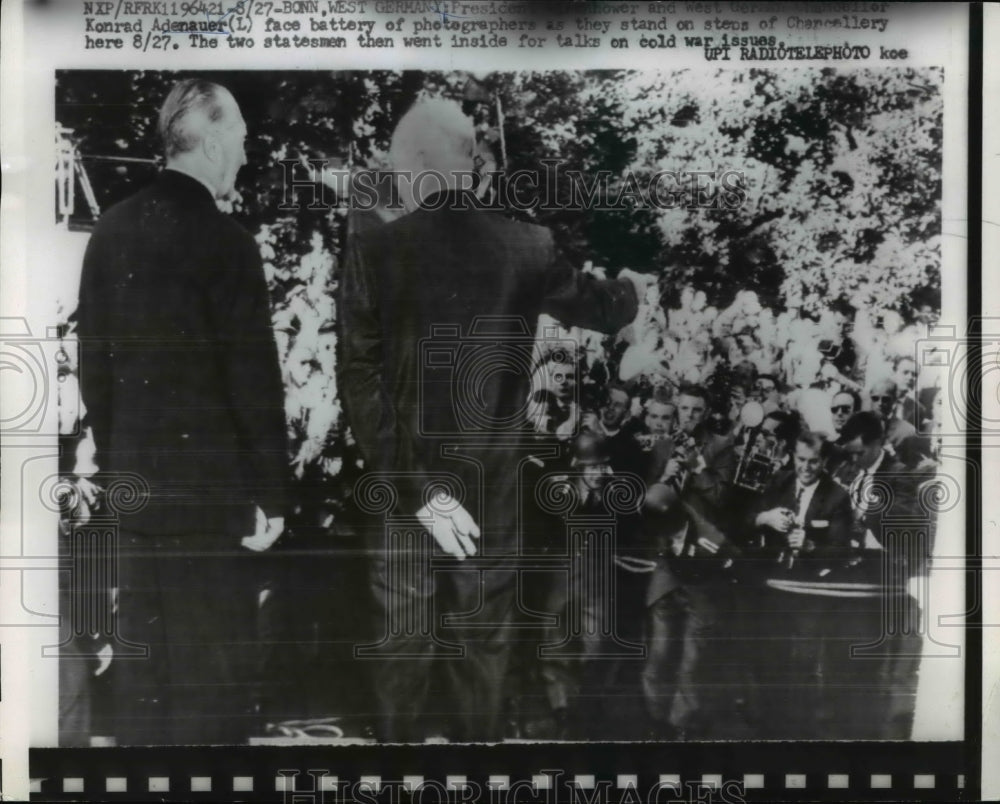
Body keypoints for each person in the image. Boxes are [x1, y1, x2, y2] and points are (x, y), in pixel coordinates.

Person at [336, 98, 649, 742]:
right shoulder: (527, 245)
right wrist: (631, 288)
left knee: (403, 634)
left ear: (414, 166)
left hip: (403, 485)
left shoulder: (375, 248)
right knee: (484, 637)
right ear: (468, 163)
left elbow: (358, 379)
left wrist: (419, 492)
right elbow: (606, 309)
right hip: (489, 485)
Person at [75, 79, 288, 744]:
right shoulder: (229, 245)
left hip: (137, 506)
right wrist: (273, 496)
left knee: (145, 702)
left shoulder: (109, 232)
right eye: (245, 142)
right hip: (211, 515)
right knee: (214, 702)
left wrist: (120, 472)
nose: (248, 157)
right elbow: (253, 383)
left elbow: (95, 375)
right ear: (218, 140)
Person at [743, 431, 853, 738]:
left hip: (810, 591)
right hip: (771, 585)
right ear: (793, 456)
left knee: (803, 661)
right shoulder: (778, 481)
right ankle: (765, 727)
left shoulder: (837, 496)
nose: (806, 468)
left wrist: (810, 548)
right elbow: (741, 518)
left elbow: (843, 550)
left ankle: (800, 731)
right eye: (801, 460)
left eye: (813, 461)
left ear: (825, 461)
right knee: (766, 656)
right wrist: (765, 518)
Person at [868, 376, 917, 448]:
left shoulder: (907, 432)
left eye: (885, 399)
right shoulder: (857, 422)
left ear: (894, 400)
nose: (880, 403)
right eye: (875, 398)